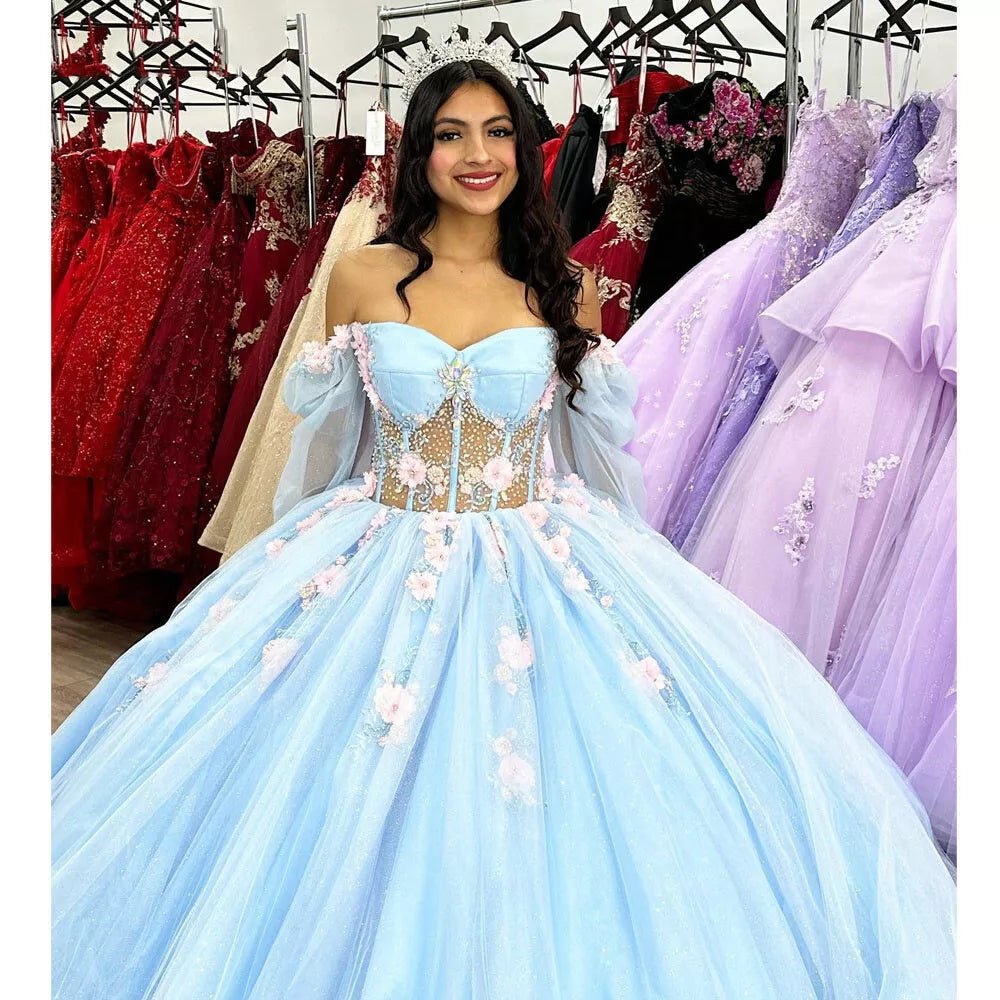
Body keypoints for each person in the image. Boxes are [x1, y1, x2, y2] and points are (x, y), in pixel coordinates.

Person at [52, 29, 955, 1000]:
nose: (476, 154)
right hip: (378, 542)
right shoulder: (362, 277)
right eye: (451, 134)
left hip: (537, 552)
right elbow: (330, 445)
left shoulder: (562, 287)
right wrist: (288, 574)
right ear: (420, 153)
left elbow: (594, 454)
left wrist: (631, 576)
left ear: (525, 150)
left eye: (496, 133)